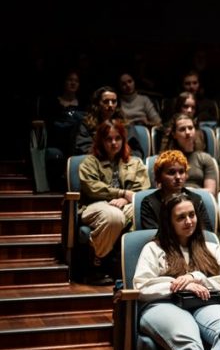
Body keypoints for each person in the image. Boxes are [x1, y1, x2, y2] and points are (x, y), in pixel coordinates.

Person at [135, 193, 220, 350]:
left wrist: (197, 278)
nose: (188, 221)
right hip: (163, 305)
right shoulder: (153, 249)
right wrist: (177, 285)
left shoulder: (211, 247)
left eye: (192, 215)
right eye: (181, 217)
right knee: (188, 340)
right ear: (169, 222)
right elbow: (141, 286)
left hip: (205, 302)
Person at [79, 120, 150, 279]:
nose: (113, 143)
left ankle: (124, 262)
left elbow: (141, 191)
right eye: (108, 139)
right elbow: (92, 188)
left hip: (126, 205)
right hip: (95, 205)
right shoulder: (89, 162)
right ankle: (97, 260)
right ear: (100, 141)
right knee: (114, 217)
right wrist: (122, 193)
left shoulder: (134, 163)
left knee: (143, 212)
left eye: (117, 138)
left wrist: (126, 199)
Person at [139, 150, 211, 231]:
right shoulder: (149, 203)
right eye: (171, 172)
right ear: (159, 177)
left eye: (181, 172)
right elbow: (153, 235)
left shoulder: (196, 200)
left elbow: (206, 233)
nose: (178, 177)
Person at [76, 86, 143, 158]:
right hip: (97, 163)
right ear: (97, 104)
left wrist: (118, 158)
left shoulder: (126, 125)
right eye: (106, 101)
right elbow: (84, 149)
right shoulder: (87, 124)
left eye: (114, 101)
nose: (110, 105)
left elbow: (137, 151)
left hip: (122, 163)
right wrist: (108, 156)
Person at [161, 113, 218, 196]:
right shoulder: (166, 160)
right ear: (174, 134)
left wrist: (189, 192)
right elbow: (162, 190)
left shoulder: (205, 158)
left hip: (200, 202)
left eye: (190, 128)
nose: (187, 132)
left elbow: (211, 191)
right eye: (182, 129)